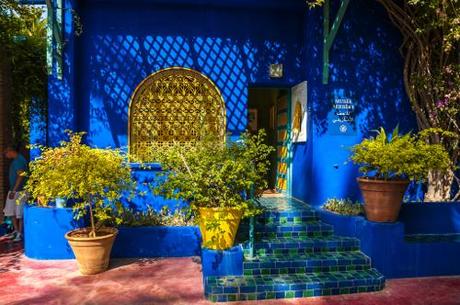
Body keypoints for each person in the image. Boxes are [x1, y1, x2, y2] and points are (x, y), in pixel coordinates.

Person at [3, 143, 28, 242]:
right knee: (10, 211)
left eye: (5, 153)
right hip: (13, 190)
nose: (5, 155)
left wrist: (14, 190)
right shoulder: (15, 160)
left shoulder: (19, 161)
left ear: (11, 150)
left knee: (19, 213)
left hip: (20, 191)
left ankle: (19, 233)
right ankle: (16, 230)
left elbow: (21, 176)